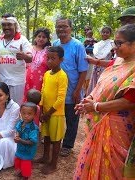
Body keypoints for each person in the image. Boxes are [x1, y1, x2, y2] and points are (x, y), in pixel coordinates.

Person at [74, 24, 135, 179]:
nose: (114, 47)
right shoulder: (117, 62)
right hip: (102, 120)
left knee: (114, 166)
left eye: (119, 43)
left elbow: (129, 101)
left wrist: (95, 106)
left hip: (118, 127)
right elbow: (101, 86)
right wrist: (90, 99)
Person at [53, 18, 88, 157]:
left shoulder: (78, 46)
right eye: (58, 27)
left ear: (70, 29)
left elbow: (83, 70)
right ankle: (56, 140)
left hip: (72, 89)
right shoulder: (56, 44)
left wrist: (77, 90)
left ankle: (67, 145)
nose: (61, 29)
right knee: (58, 116)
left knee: (72, 119)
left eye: (64, 26)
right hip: (58, 90)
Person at [35, 46, 68, 174]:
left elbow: (60, 98)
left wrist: (49, 113)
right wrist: (42, 110)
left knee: (56, 139)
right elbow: (43, 92)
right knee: (47, 136)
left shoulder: (62, 76)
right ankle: (45, 157)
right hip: (46, 113)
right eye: (48, 58)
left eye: (53, 58)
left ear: (61, 59)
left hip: (56, 114)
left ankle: (53, 164)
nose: (49, 61)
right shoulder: (47, 74)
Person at [0, 13, 32, 105]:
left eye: (9, 24)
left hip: (17, 82)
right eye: (4, 25)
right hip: (2, 81)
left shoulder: (22, 40)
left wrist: (24, 56)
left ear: (15, 25)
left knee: (16, 107)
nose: (6, 27)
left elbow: (30, 59)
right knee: (2, 107)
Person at [23, 28, 51, 102]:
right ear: (35, 38)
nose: (41, 39)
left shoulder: (49, 51)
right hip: (26, 80)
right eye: (39, 36)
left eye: (44, 37)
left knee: (38, 101)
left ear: (47, 39)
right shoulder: (28, 49)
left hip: (41, 81)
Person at [85, 26, 113, 95]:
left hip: (106, 67)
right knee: (94, 83)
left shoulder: (112, 44)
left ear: (110, 34)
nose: (105, 34)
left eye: (107, 32)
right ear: (101, 33)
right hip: (96, 68)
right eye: (104, 32)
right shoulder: (97, 45)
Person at [14, 102, 39, 179]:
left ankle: (25, 176)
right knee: (19, 160)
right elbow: (17, 130)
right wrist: (17, 135)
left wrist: (20, 140)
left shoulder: (33, 128)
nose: (26, 116)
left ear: (34, 115)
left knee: (26, 163)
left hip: (28, 150)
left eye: (29, 114)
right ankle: (21, 172)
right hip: (20, 148)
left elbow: (32, 141)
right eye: (23, 113)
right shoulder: (20, 123)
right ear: (20, 113)